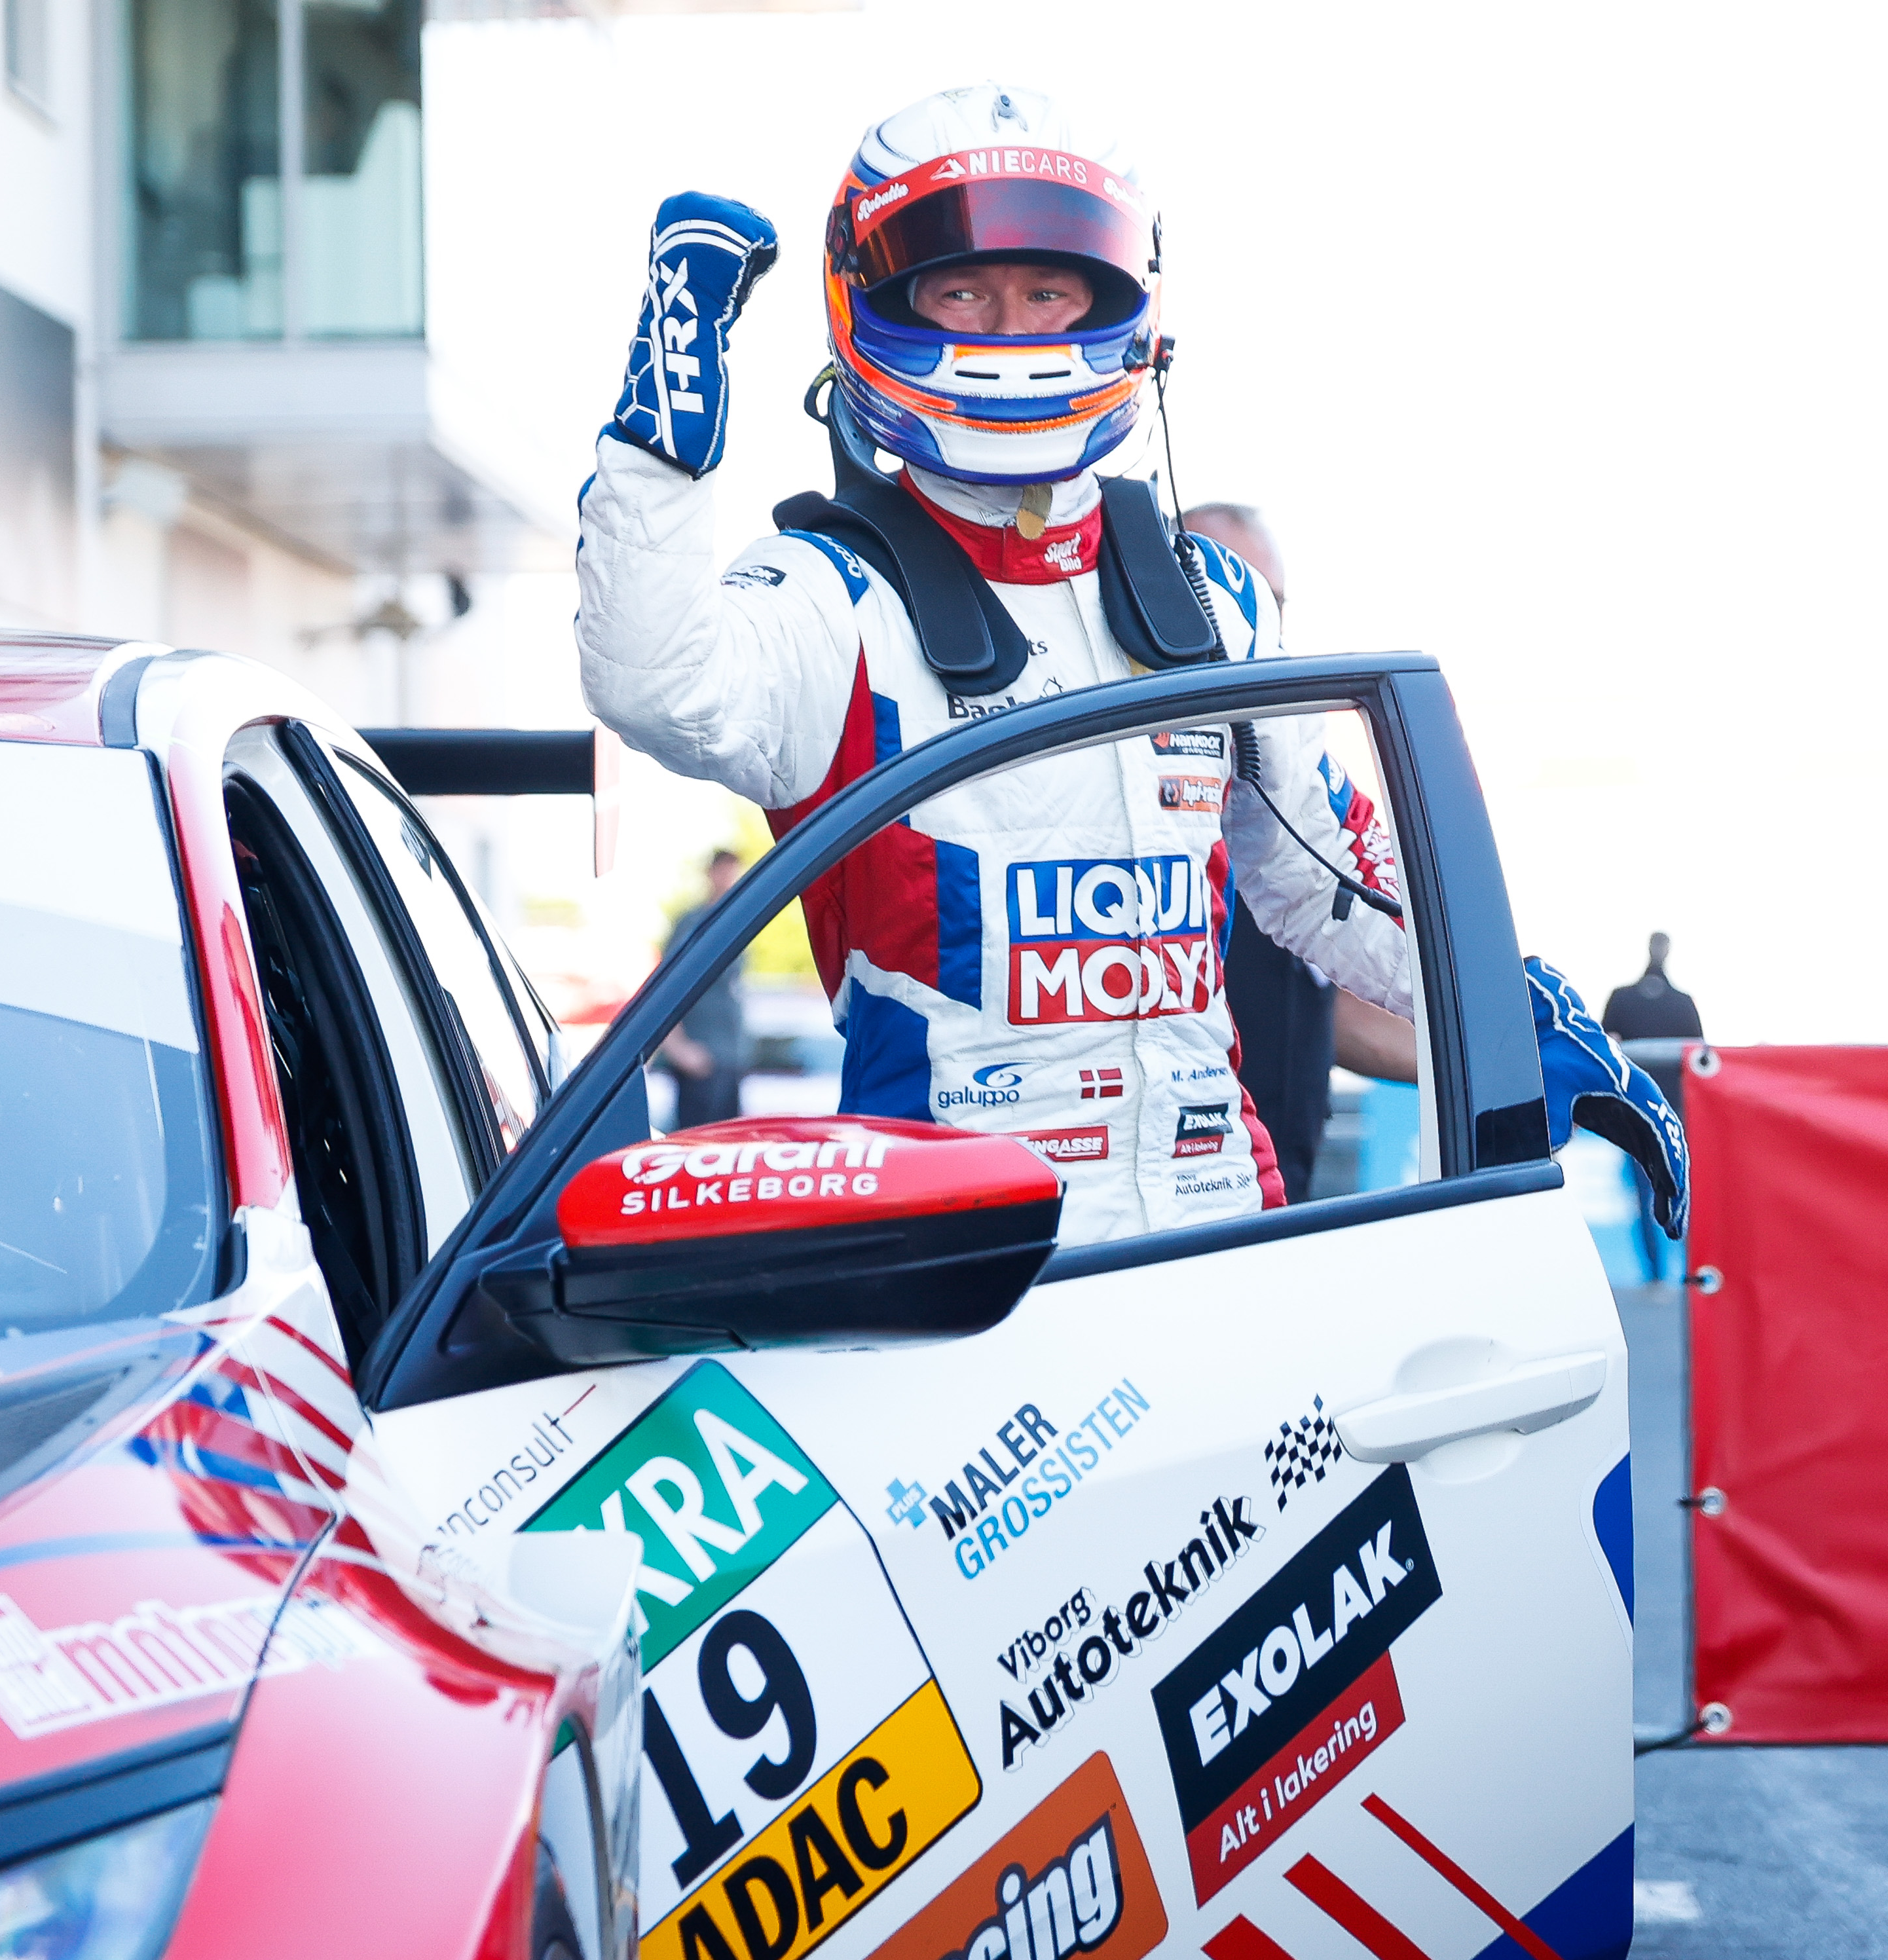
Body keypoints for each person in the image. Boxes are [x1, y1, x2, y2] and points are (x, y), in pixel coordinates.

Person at [577, 83, 1685, 1243]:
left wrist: (1525, 1011)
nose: (1010, 330)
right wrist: (666, 418)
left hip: (1219, 1228)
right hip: (957, 1264)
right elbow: (654, 684)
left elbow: (1329, 880)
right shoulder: (828, 593)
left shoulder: (1210, 596)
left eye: (1047, 292)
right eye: (963, 290)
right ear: (884, 300)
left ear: (1116, 303)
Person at [1185, 501, 1417, 1201]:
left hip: (1285, 1190)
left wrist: (1495, 1053)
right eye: (1218, 590)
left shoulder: (1283, 796)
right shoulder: (1167, 809)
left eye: (1269, 602)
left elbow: (1341, 1007)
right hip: (1192, 1188)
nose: (1246, 618)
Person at [659, 847, 750, 1126]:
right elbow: (665, 989)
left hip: (730, 1059)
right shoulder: (693, 924)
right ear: (711, 874)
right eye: (723, 871)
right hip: (701, 1059)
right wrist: (678, 1047)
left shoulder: (738, 921)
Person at [1602, 934, 1705, 1041]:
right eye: (1657, 944)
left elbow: (1696, 1046)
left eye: (1661, 945)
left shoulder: (1684, 1004)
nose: (1659, 949)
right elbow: (1605, 1039)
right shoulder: (1620, 999)